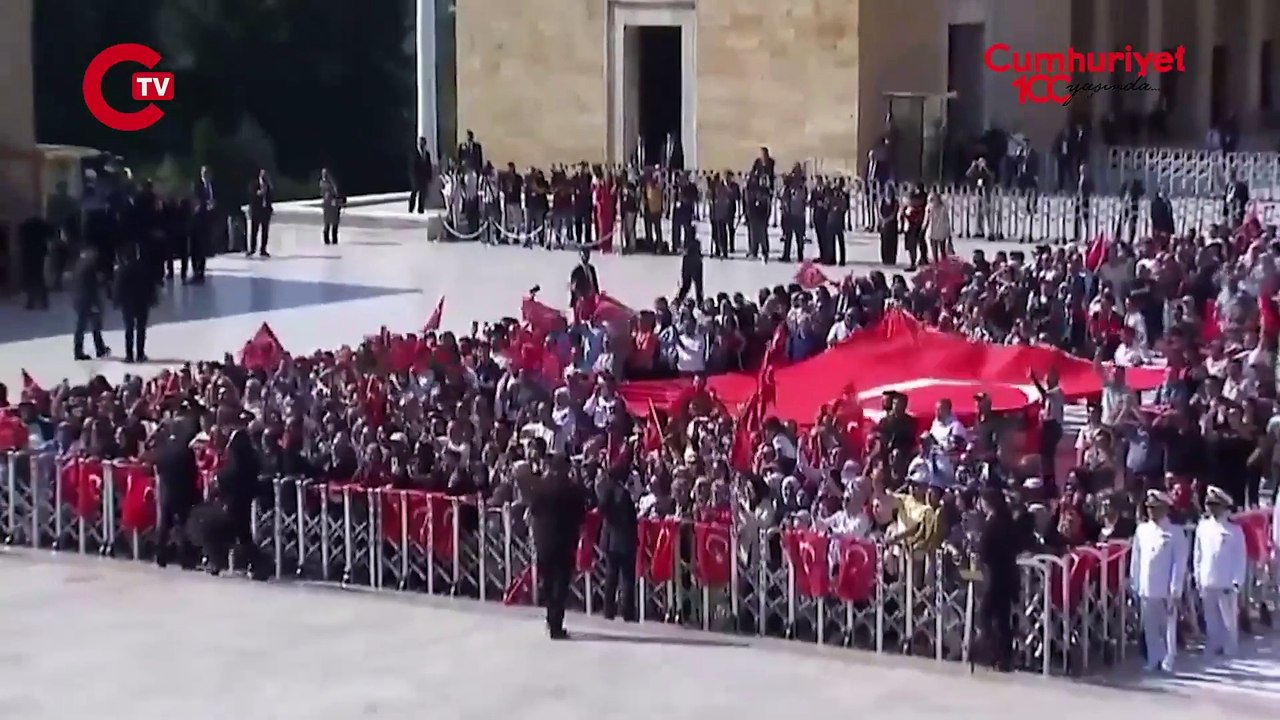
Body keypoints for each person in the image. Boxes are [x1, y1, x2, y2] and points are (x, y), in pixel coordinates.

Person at [525, 453, 588, 639]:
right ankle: (556, 623)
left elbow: (533, 511)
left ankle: (550, 617)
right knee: (560, 584)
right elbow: (581, 515)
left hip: (544, 541)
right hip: (564, 541)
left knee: (548, 581)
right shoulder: (572, 490)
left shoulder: (541, 487)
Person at [1129, 489, 1189, 673]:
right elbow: (1136, 560)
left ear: (1165, 508)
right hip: (1146, 586)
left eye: (1155, 507)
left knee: (1168, 626)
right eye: (1148, 507)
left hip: (1165, 587)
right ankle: (1154, 658)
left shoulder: (1175, 532)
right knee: (1150, 627)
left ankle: (1168, 659)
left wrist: (1175, 589)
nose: (1151, 511)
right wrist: (1135, 584)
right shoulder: (1142, 530)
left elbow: (1179, 564)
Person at [1193, 485, 1247, 657]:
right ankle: (1213, 646)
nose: (1211, 508)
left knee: (1228, 620)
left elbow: (1240, 557)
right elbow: (1198, 555)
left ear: (1224, 506)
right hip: (1207, 579)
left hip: (1226, 581)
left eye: (1215, 504)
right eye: (1209, 504)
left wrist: (1237, 581)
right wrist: (1198, 577)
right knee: (1211, 619)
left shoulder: (1234, 530)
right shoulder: (1203, 527)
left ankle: (1230, 649)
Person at [212, 427, 266, 579]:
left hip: (235, 499)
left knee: (235, 532)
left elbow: (230, 475)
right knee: (242, 533)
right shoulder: (253, 459)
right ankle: (254, 564)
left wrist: (219, 478)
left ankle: (219, 562)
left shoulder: (237, 462)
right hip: (244, 498)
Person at [976, 486, 1020, 671]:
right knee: (1002, 617)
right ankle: (1005, 656)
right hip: (1008, 574)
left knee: (985, 614)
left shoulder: (993, 522)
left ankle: (991, 651)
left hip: (994, 575)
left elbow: (985, 550)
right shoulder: (1008, 520)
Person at [152, 422, 200, 569]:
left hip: (166, 491)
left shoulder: (163, 449)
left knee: (164, 525)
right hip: (183, 491)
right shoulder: (186, 451)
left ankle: (160, 556)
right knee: (183, 525)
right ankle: (186, 558)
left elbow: (158, 467)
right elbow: (192, 471)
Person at [596, 467, 638, 621]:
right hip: (626, 539)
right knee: (627, 577)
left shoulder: (607, 492)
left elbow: (601, 509)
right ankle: (628, 610)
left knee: (611, 575)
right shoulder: (625, 494)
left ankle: (609, 609)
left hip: (611, 539)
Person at [114, 243, 157, 363]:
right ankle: (140, 354)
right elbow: (150, 285)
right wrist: (152, 299)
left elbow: (118, 287)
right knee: (141, 329)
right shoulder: (144, 267)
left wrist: (117, 302)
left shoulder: (122, 270)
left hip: (127, 304)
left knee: (129, 329)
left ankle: (129, 355)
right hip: (142, 302)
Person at [71, 246, 110, 361]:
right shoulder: (90, 267)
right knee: (92, 325)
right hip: (88, 300)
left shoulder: (78, 264)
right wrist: (96, 303)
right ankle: (98, 349)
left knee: (82, 326)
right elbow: (93, 286)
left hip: (78, 299)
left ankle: (81, 350)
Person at [18, 214, 53, 310]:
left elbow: (21, 239)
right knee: (39, 278)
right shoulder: (43, 225)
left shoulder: (25, 226)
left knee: (30, 278)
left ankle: (31, 302)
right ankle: (43, 301)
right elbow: (51, 234)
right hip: (39, 254)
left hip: (28, 254)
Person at [190, 165, 216, 283]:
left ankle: (201, 272)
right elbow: (195, 201)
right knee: (196, 248)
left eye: (207, 173)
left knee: (203, 247)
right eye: (204, 173)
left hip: (208, 221)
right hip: (197, 221)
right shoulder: (197, 186)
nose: (205, 175)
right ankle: (196, 271)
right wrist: (206, 204)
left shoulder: (212, 186)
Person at [247, 169, 274, 257]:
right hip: (256, 211)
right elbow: (251, 195)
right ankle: (252, 249)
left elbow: (270, 197)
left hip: (265, 211)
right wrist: (257, 193)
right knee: (254, 231)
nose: (264, 177)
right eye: (263, 175)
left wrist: (270, 209)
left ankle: (263, 249)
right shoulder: (254, 184)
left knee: (265, 231)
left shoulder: (268, 185)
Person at [675, 226, 704, 305]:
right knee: (698, 286)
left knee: (686, 285)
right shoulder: (696, 243)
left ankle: (678, 301)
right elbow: (698, 254)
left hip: (687, 264)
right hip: (696, 265)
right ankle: (700, 303)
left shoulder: (686, 243)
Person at [408, 136, 434, 214]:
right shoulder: (414, 153)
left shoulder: (427, 154)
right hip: (416, 177)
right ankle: (411, 208)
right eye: (420, 143)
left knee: (423, 194)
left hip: (424, 177)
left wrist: (430, 177)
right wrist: (413, 177)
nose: (421, 145)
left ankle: (421, 208)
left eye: (423, 143)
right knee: (414, 193)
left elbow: (429, 166)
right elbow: (412, 166)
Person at [320, 168, 343, 245]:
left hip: (332, 205)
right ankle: (328, 239)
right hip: (329, 205)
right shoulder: (325, 184)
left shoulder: (330, 184)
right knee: (329, 223)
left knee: (333, 223)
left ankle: (333, 238)